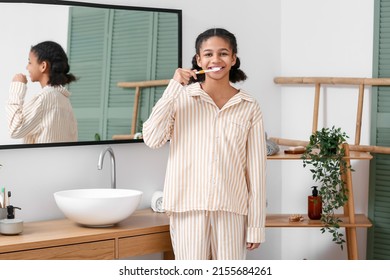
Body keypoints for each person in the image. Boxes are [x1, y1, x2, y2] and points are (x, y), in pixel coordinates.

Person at [143, 28, 267, 260]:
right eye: (208, 54)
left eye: (223, 53)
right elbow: (152, 138)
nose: (215, 60)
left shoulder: (249, 105)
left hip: (232, 210)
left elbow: (257, 171)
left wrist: (256, 225)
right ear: (199, 60)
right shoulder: (181, 98)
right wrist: (173, 86)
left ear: (233, 58)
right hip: (187, 208)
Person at [6, 41, 78, 144]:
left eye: (30, 62)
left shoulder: (44, 99)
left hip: (39, 160)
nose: (27, 67)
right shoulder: (65, 101)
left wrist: (17, 86)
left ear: (43, 66)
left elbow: (14, 129)